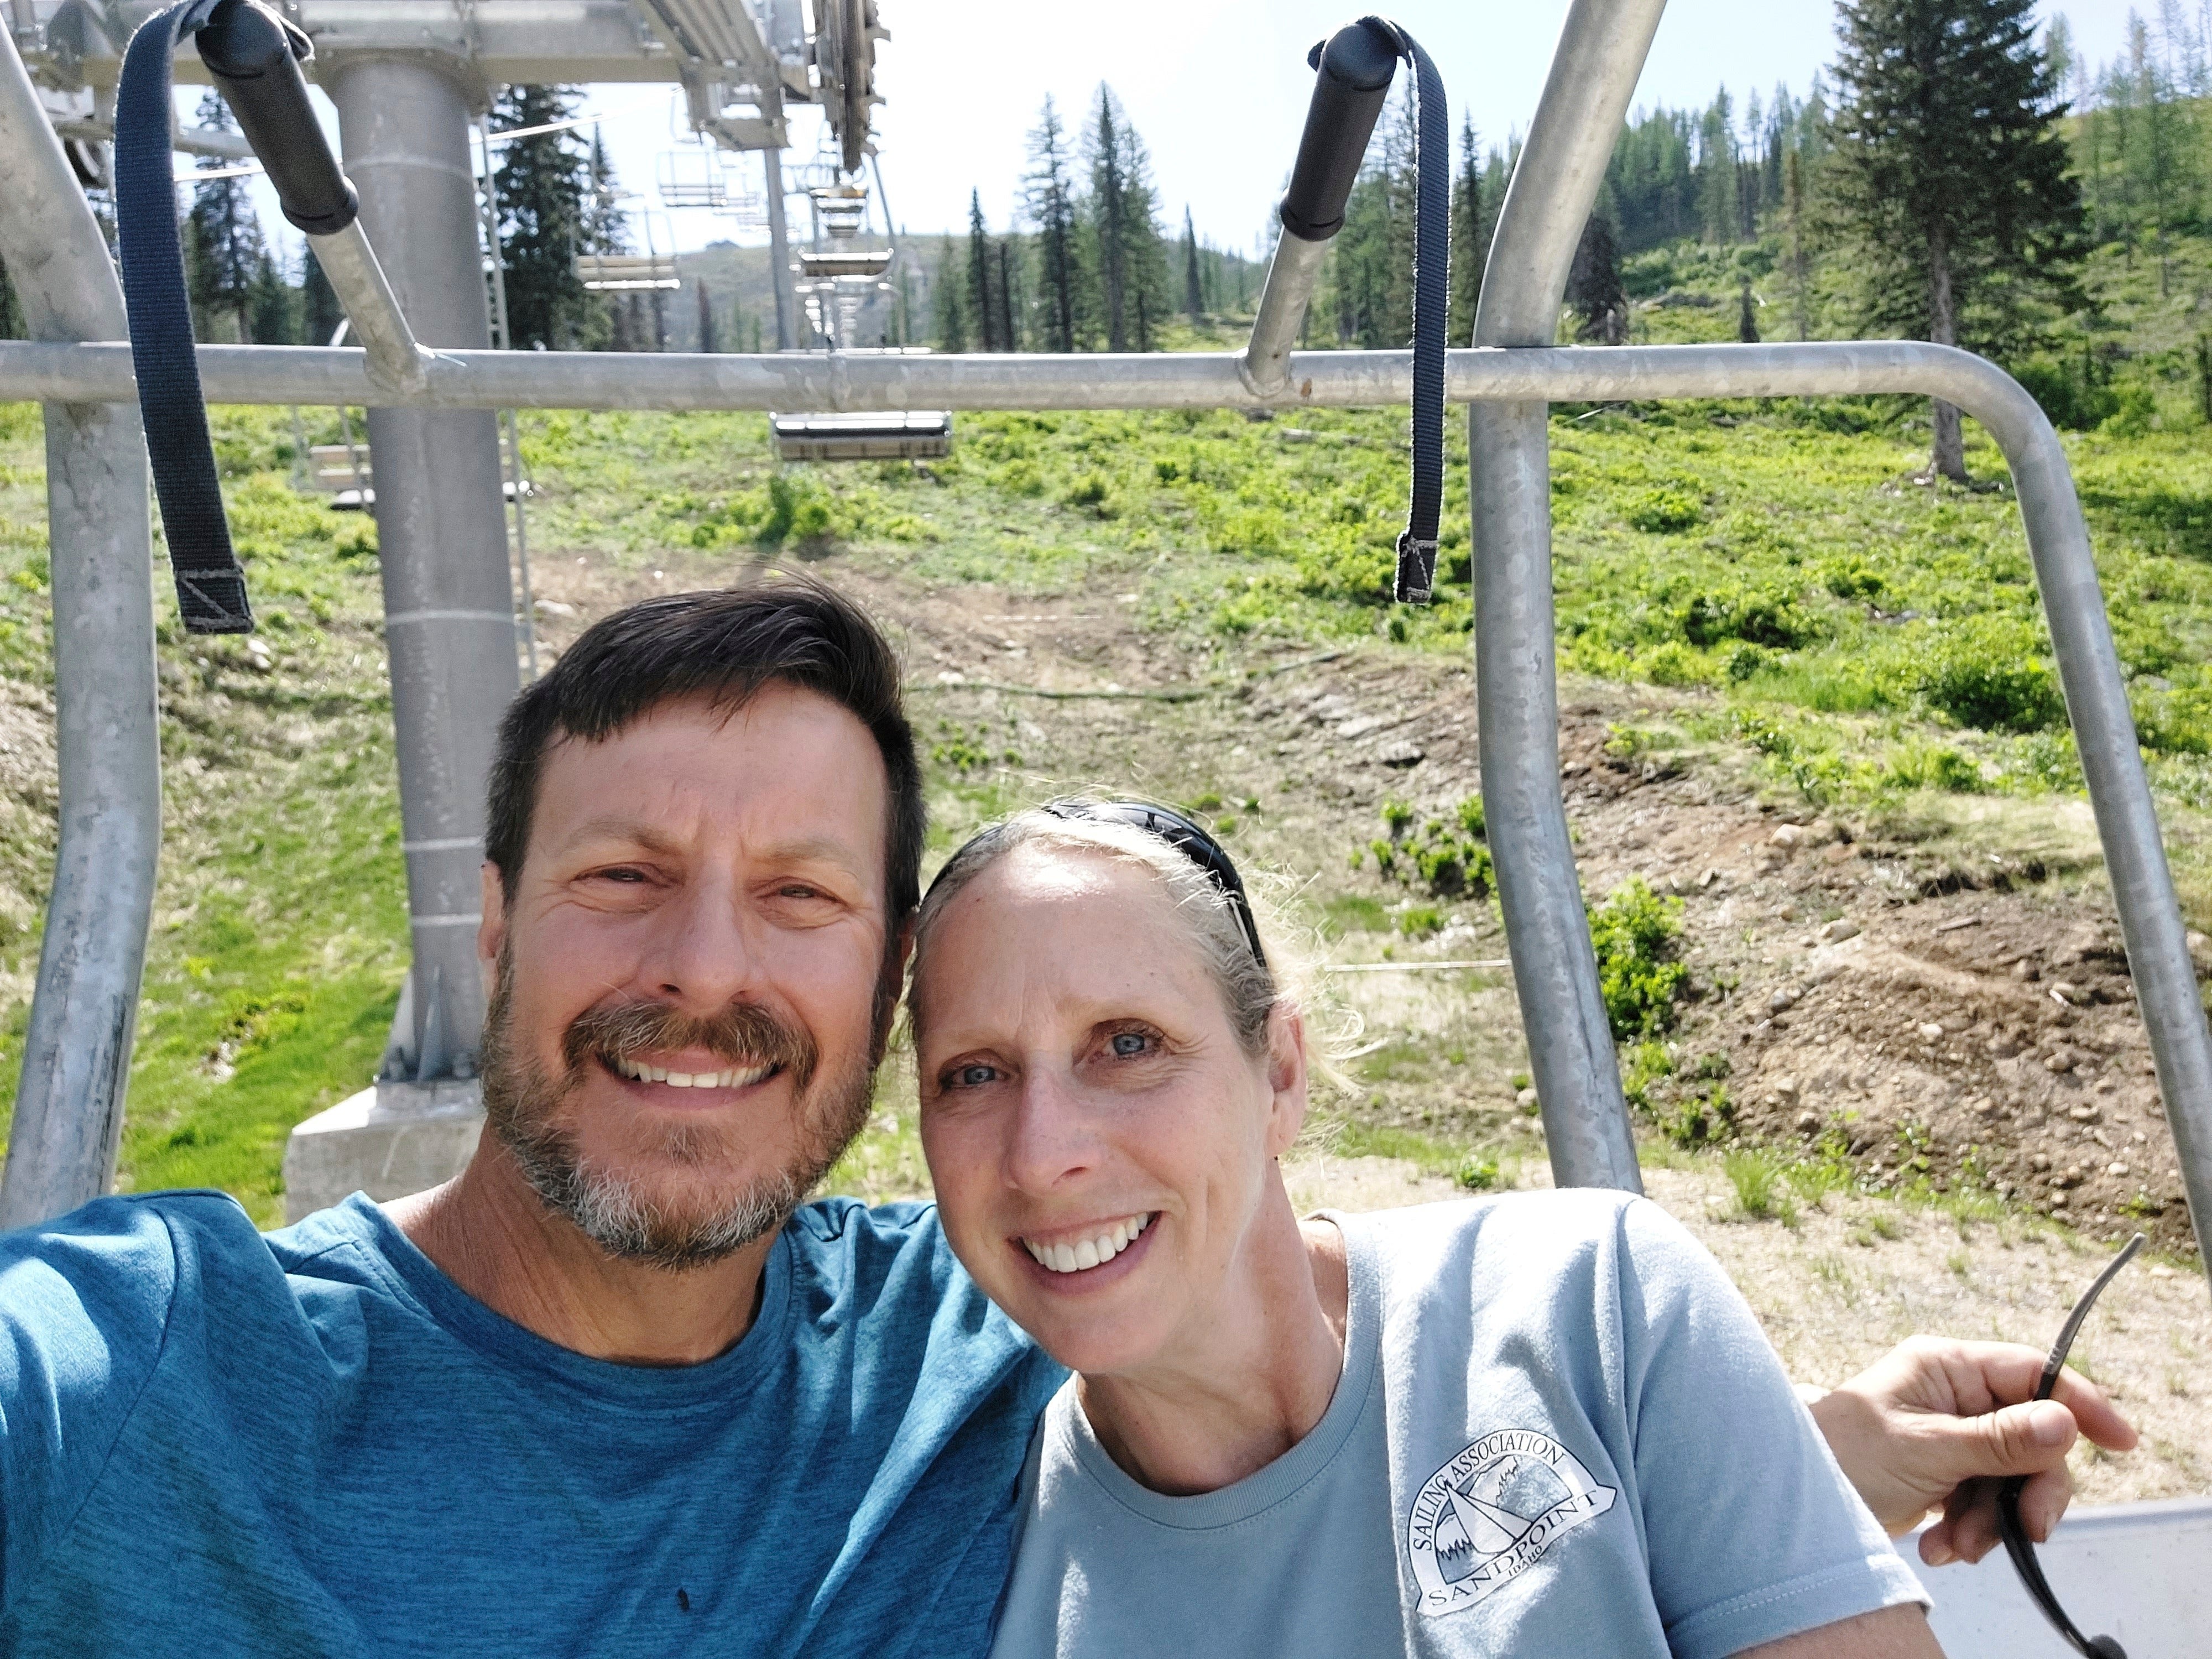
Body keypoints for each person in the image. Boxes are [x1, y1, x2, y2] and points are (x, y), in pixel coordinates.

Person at [0, 580, 2131, 1653]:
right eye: (623, 877)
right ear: (490, 928)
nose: (710, 972)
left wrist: (1780, 1456)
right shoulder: (154, 1367)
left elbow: (1286, 1352)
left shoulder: (954, 1345)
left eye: (809, 901)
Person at [906, 801, 2133, 1657]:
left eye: (1128, 1045)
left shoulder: (1589, 1301)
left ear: (1279, 1072)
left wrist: (1777, 1472)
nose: (1040, 1150)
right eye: (970, 1074)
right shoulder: (968, 1567)